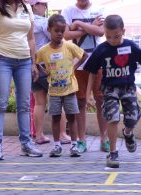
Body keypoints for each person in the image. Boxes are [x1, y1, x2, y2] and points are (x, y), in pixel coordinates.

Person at [85, 15, 141, 168]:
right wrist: (88, 93)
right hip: (109, 89)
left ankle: (128, 133)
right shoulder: (101, 49)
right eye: (108, 36)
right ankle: (113, 152)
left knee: (132, 119)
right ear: (104, 32)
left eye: (116, 36)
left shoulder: (130, 46)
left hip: (128, 87)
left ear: (123, 31)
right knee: (113, 118)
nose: (112, 40)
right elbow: (92, 72)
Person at [0, 0, 43, 160]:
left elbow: (31, 38)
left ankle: (26, 144)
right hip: (2, 58)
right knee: (1, 103)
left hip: (24, 61)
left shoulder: (27, 7)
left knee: (23, 104)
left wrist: (34, 63)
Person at [36, 14, 88, 157]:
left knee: (71, 118)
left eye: (62, 30)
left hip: (70, 91)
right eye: (56, 30)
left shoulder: (70, 46)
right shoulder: (44, 50)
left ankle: (74, 145)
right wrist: (44, 71)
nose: (60, 33)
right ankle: (57, 145)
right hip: (54, 92)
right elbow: (35, 62)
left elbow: (84, 55)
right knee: (55, 118)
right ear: (49, 30)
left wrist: (74, 68)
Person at [62, 0, 109, 153]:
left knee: (101, 99)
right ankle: (82, 140)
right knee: (80, 101)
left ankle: (104, 139)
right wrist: (90, 27)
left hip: (98, 62)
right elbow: (67, 35)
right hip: (77, 63)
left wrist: (77, 24)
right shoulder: (68, 11)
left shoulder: (99, 8)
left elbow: (101, 32)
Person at [29, 0, 71, 144]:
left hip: (31, 65)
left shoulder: (24, 21)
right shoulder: (42, 22)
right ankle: (62, 135)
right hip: (47, 67)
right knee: (62, 99)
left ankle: (39, 135)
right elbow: (58, 40)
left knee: (40, 103)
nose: (46, 7)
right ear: (35, 5)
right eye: (44, 4)